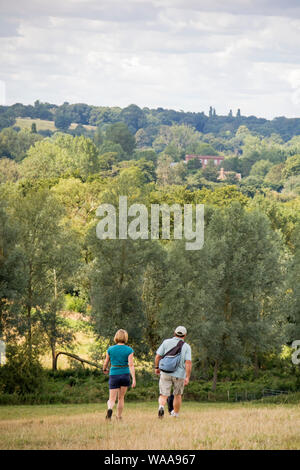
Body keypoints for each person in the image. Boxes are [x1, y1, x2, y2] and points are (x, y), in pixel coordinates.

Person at [155, 326, 192, 418]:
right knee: (177, 395)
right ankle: (175, 414)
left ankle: (161, 406)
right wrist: (187, 376)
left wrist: (157, 367)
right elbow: (188, 362)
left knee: (163, 394)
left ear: (174, 333)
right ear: (185, 335)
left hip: (165, 372)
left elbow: (158, 356)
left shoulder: (166, 342)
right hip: (179, 375)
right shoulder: (186, 347)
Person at [103, 329, 136, 420]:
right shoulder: (129, 350)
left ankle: (110, 409)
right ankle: (119, 416)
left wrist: (104, 369)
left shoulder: (110, 349)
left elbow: (106, 362)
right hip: (125, 374)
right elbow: (131, 364)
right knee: (121, 398)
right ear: (125, 337)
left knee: (112, 398)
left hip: (114, 373)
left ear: (116, 337)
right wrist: (133, 378)